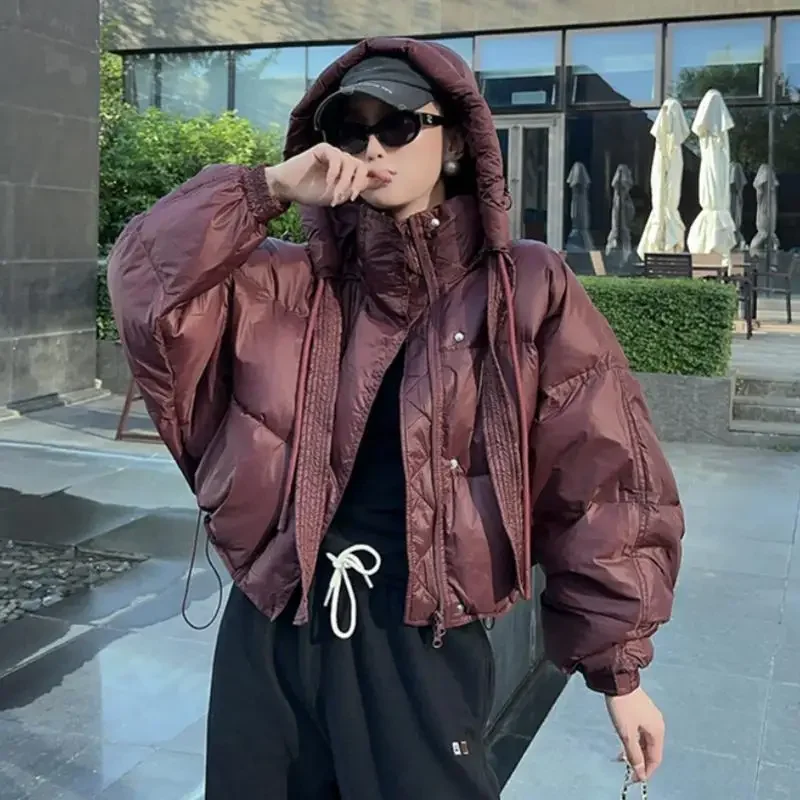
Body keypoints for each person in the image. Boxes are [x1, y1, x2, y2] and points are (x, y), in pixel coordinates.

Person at [108, 37, 684, 800]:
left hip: (418, 638)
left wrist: (619, 670)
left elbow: (603, 477)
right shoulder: (286, 282)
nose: (373, 146)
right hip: (275, 620)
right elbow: (143, 283)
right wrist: (265, 187)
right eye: (351, 128)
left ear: (455, 143)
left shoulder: (524, 287)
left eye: (399, 125)